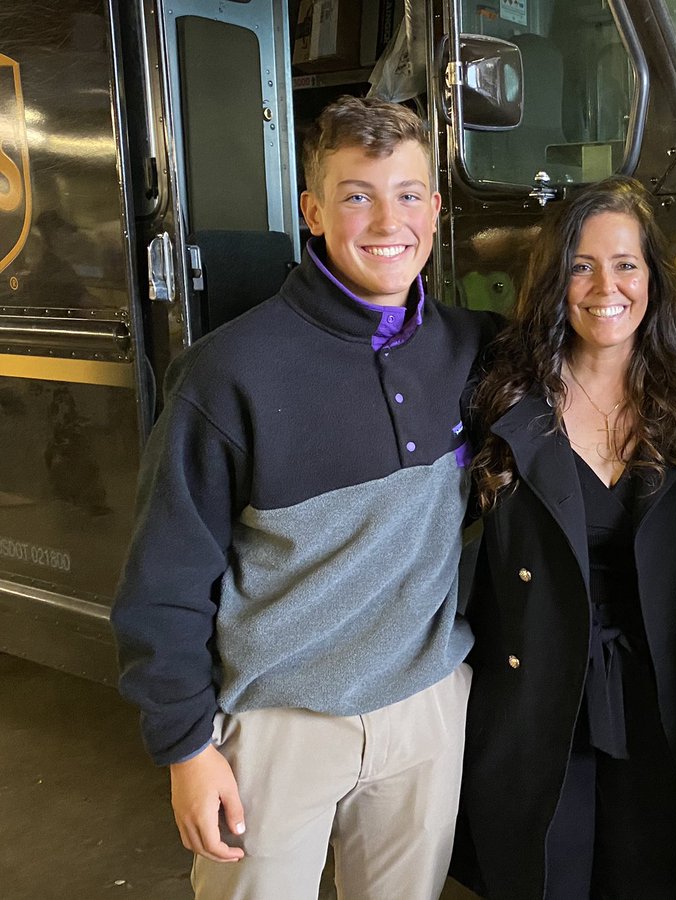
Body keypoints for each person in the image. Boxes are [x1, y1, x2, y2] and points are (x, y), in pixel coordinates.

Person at [110, 96, 499, 899]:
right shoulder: (229, 372)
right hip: (278, 726)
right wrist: (186, 747)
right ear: (314, 212)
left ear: (434, 206)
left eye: (409, 193)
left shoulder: (473, 349)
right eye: (358, 195)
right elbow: (164, 582)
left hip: (425, 710)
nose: (388, 219)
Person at [460, 176, 676, 899]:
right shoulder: (501, 394)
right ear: (554, 279)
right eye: (581, 265)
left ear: (653, 279)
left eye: (625, 265)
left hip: (661, 706)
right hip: (537, 705)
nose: (604, 286)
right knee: (545, 875)